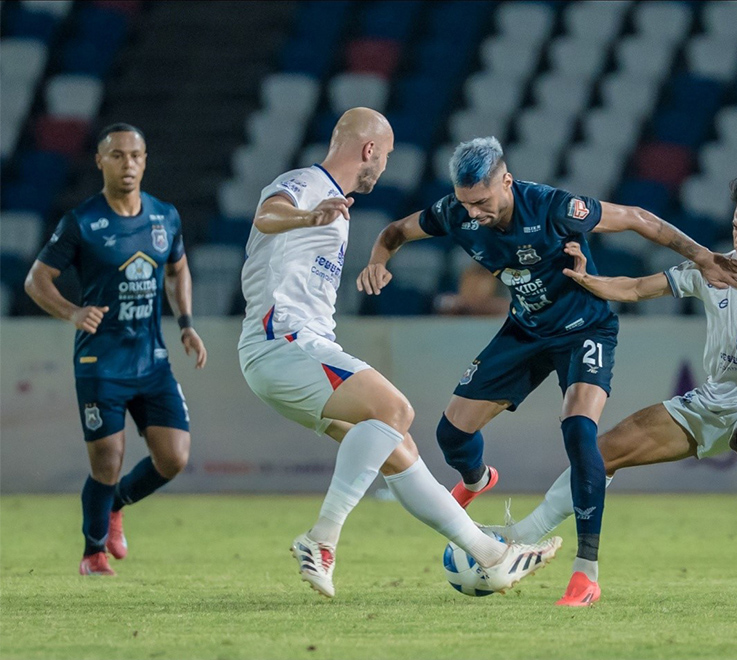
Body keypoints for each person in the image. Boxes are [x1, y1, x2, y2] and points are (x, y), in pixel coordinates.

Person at [357, 136, 737, 606]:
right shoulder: (453, 212)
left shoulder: (553, 207)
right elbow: (395, 232)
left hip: (585, 329)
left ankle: (586, 573)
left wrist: (702, 256)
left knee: (580, 433)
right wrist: (378, 262)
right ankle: (477, 480)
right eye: (466, 203)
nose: (474, 213)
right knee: (451, 436)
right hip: (524, 329)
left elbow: (637, 218)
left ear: (506, 181)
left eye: (482, 201)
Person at [237, 108, 560, 600]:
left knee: (398, 451)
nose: (384, 166)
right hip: (282, 341)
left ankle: (492, 556)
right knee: (396, 410)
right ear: (369, 150)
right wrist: (309, 215)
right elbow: (268, 212)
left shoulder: (334, 201)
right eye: (385, 156)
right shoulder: (307, 184)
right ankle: (321, 540)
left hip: (292, 350)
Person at [494, 181, 737, 608]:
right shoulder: (712, 268)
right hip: (713, 399)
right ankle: (521, 538)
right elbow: (638, 288)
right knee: (602, 452)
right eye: (736, 226)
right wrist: (588, 280)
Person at [24, 123, 208, 576]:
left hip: (151, 358)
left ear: (145, 161)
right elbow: (36, 280)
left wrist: (186, 324)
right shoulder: (82, 221)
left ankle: (117, 506)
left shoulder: (165, 216)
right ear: (100, 162)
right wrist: (71, 312)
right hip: (99, 362)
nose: (128, 165)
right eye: (117, 156)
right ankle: (93, 553)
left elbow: (177, 270)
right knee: (108, 460)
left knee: (174, 458)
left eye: (136, 156)